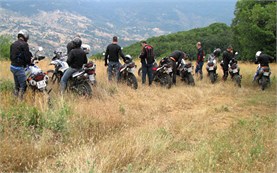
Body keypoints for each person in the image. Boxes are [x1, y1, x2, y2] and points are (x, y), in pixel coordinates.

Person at [10, 29, 33, 99]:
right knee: (23, 86)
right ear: (25, 36)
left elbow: (11, 56)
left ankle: (15, 98)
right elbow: (27, 57)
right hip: (19, 68)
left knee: (17, 85)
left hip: (12, 67)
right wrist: (29, 63)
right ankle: (20, 101)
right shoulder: (24, 44)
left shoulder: (13, 44)